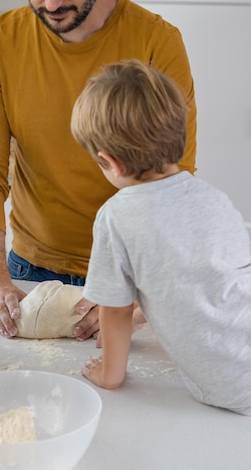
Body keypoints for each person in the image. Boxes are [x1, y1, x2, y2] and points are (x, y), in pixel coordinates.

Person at [0, 0, 197, 341]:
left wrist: (140, 296)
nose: (49, 1)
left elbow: (177, 179)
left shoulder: (157, 42)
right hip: (31, 271)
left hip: (132, 277)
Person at [71, 59, 251, 415]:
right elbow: (213, 279)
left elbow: (116, 311)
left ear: (112, 162)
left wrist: (110, 374)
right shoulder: (215, 199)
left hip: (232, 385)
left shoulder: (116, 217)